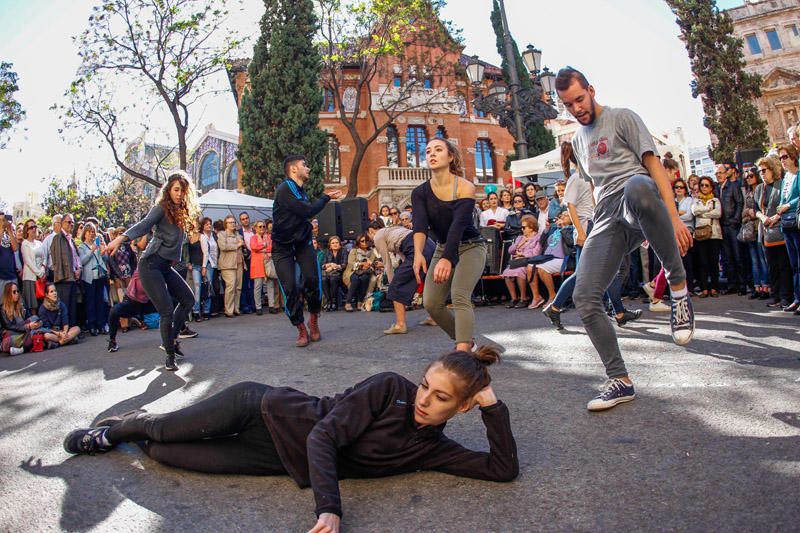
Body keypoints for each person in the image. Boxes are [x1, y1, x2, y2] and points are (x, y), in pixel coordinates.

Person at [63, 346, 517, 533]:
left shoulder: (434, 450)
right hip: (263, 409)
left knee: (166, 455)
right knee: (161, 429)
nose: (423, 401)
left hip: (271, 458)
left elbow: (501, 469)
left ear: (462, 407)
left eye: (440, 399)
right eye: (424, 386)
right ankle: (115, 430)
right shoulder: (389, 389)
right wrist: (330, 507)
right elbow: (323, 436)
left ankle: (141, 427)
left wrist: (491, 404)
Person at [555, 66, 694, 411]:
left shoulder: (623, 118)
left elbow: (654, 165)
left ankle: (677, 288)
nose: (576, 109)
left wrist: (672, 216)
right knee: (586, 296)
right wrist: (586, 227)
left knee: (636, 186)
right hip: (606, 214)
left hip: (638, 196)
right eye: (568, 105)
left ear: (591, 89)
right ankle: (620, 380)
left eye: (579, 100)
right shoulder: (576, 140)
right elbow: (591, 184)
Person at [105, 172, 200, 371]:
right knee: (165, 310)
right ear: (168, 190)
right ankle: (170, 355)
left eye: (183, 191)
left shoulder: (181, 212)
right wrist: (120, 239)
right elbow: (143, 225)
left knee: (188, 299)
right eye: (176, 190)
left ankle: (171, 338)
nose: (179, 194)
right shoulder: (161, 209)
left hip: (165, 266)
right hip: (150, 265)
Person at [412, 138, 486, 351]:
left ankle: (462, 353)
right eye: (427, 151)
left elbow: (458, 226)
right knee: (431, 303)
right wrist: (418, 253)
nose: (432, 154)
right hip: (443, 247)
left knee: (460, 294)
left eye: (438, 149)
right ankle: (467, 341)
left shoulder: (465, 187)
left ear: (450, 156)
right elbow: (419, 226)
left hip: (471, 246)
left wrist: (447, 259)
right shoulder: (420, 192)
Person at [272, 154, 343, 347]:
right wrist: (327, 197)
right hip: (282, 248)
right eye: (305, 165)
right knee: (290, 287)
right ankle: (301, 327)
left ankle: (313, 318)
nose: (309, 168)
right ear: (294, 169)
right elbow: (307, 211)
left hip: (302, 243)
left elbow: (303, 215)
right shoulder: (286, 188)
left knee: (312, 280)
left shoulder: (300, 190)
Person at [367, 221, 435, 334]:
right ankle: (434, 318)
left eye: (369, 235)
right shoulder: (393, 230)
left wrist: (393, 285)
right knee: (428, 282)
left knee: (396, 285)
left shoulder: (378, 236)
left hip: (416, 246)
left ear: (371, 232)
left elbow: (387, 263)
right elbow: (404, 256)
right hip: (429, 243)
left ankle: (400, 325)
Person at [755, 156, 794, 308]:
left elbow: (786, 204)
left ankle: (786, 296)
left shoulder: (781, 184)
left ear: (772, 170)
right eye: (760, 171)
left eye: (764, 170)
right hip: (765, 231)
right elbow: (756, 209)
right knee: (771, 265)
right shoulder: (759, 189)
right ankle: (775, 295)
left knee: (784, 264)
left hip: (780, 229)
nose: (762, 174)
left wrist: (775, 217)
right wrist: (763, 217)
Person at [106, 268, 158, 353]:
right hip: (132, 302)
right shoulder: (141, 270)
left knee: (172, 303)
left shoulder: (158, 270)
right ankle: (112, 341)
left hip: (147, 302)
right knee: (114, 311)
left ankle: (180, 331)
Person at [776, 144, 800, 312]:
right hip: (786, 223)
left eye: (785, 157)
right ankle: (797, 298)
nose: (782, 161)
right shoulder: (785, 178)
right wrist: (778, 210)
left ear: (793, 157)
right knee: (794, 264)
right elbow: (781, 200)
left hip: (796, 220)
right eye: (780, 158)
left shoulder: (798, 175)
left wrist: (788, 205)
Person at [716, 163, 745, 295]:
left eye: (721, 173)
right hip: (721, 226)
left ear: (726, 173)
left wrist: (735, 219)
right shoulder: (717, 188)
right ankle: (732, 285)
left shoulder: (733, 186)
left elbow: (739, 203)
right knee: (727, 258)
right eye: (717, 174)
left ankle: (742, 285)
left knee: (738, 256)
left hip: (733, 225)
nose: (719, 175)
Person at [691, 177, 723, 298]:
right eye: (702, 185)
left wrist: (702, 212)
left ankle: (714, 287)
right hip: (700, 235)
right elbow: (694, 211)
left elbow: (718, 213)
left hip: (714, 234)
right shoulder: (695, 200)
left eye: (707, 185)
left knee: (713, 262)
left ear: (711, 187)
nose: (704, 187)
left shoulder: (715, 200)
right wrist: (708, 210)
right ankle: (704, 288)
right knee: (702, 262)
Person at [501, 215, 541, 309]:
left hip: (529, 261)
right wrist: (521, 244)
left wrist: (522, 255)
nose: (522, 229)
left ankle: (523, 298)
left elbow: (536, 252)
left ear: (531, 227)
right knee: (507, 273)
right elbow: (510, 250)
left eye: (524, 227)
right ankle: (514, 298)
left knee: (519, 272)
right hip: (518, 261)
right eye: (521, 227)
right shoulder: (520, 238)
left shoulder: (537, 237)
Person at [78, 222, 109, 337]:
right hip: (89, 278)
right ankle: (92, 325)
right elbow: (82, 261)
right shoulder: (82, 247)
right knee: (90, 302)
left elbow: (104, 259)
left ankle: (101, 324)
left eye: (93, 232)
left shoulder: (97, 244)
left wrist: (102, 251)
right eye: (89, 232)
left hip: (99, 276)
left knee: (100, 301)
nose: (92, 234)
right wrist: (91, 251)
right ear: (85, 234)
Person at [50, 213, 81, 329]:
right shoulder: (58, 238)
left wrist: (79, 269)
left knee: (73, 306)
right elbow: (57, 259)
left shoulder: (71, 240)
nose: (71, 224)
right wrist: (62, 275)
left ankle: (73, 330)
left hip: (72, 277)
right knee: (65, 306)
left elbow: (76, 257)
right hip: (63, 279)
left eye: (72, 222)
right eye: (68, 222)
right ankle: (65, 331)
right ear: (62, 223)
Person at [742, 168, 769, 299]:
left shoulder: (762, 189)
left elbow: (763, 209)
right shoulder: (747, 193)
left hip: (761, 227)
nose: (749, 178)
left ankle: (765, 286)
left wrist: (753, 213)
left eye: (751, 176)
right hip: (750, 230)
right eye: (747, 177)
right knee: (754, 260)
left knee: (762, 259)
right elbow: (744, 212)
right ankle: (757, 287)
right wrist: (748, 213)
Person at [38, 282, 81, 348]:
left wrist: (64, 333)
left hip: (63, 331)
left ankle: (59, 343)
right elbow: (46, 328)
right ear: (46, 295)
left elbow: (65, 322)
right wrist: (58, 333)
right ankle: (69, 340)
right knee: (46, 336)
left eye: (55, 291)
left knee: (77, 329)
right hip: (53, 333)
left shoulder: (61, 304)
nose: (54, 293)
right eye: (51, 292)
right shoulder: (42, 309)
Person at [217, 215, 244, 318]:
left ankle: (236, 309)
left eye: (234, 222)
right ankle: (228, 310)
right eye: (230, 222)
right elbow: (223, 247)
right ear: (226, 224)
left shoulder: (238, 234)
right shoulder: (222, 234)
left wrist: (241, 243)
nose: (233, 224)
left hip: (239, 263)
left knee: (238, 288)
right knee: (231, 286)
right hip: (228, 265)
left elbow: (243, 244)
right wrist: (237, 245)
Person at [343, 234, 377, 312]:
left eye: (366, 241)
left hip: (366, 271)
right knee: (355, 279)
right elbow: (351, 263)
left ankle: (360, 301)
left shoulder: (371, 252)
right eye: (362, 241)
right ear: (358, 242)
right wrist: (361, 264)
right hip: (352, 271)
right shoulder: (354, 251)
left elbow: (372, 263)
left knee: (365, 278)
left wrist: (368, 265)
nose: (365, 242)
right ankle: (348, 302)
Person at [21, 218, 45, 313]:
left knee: (41, 302)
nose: (34, 229)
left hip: (41, 277)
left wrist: (43, 270)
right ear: (27, 230)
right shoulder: (25, 244)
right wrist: (39, 273)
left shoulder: (39, 243)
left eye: (35, 226)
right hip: (31, 278)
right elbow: (28, 261)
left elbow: (44, 258)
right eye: (31, 227)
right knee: (32, 305)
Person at [249, 220, 270, 316]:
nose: (262, 228)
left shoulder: (268, 237)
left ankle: (271, 305)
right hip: (257, 265)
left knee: (270, 286)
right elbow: (254, 247)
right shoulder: (253, 237)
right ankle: (258, 307)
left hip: (267, 264)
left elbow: (271, 247)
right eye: (260, 226)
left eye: (263, 226)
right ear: (255, 228)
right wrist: (264, 245)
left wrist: (262, 248)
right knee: (258, 287)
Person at [320, 236, 347, 312]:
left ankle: (334, 301)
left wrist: (334, 266)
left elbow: (345, 264)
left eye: (336, 243)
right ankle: (329, 301)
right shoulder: (327, 252)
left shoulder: (344, 251)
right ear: (330, 245)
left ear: (340, 244)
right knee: (323, 279)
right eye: (333, 243)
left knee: (333, 279)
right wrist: (328, 265)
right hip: (328, 273)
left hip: (340, 273)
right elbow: (322, 265)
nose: (335, 244)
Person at [198, 217, 218, 319]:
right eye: (206, 224)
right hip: (207, 264)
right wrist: (204, 266)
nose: (209, 225)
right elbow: (205, 253)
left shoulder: (213, 236)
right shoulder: (203, 236)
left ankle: (207, 309)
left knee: (210, 288)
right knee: (207, 287)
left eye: (210, 224)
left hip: (214, 264)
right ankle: (204, 310)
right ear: (202, 226)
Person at [238, 212, 256, 315]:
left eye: (246, 218)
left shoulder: (254, 231)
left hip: (255, 260)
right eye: (243, 219)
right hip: (244, 261)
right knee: (244, 283)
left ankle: (254, 304)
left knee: (254, 283)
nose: (245, 220)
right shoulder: (239, 232)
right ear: (240, 221)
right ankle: (245, 305)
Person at [0, 211, 20, 299]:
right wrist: (1, 229)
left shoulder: (10, 233)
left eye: (4, 220)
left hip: (12, 275)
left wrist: (9, 230)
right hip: (1, 277)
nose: (3, 222)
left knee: (13, 302)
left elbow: (15, 248)